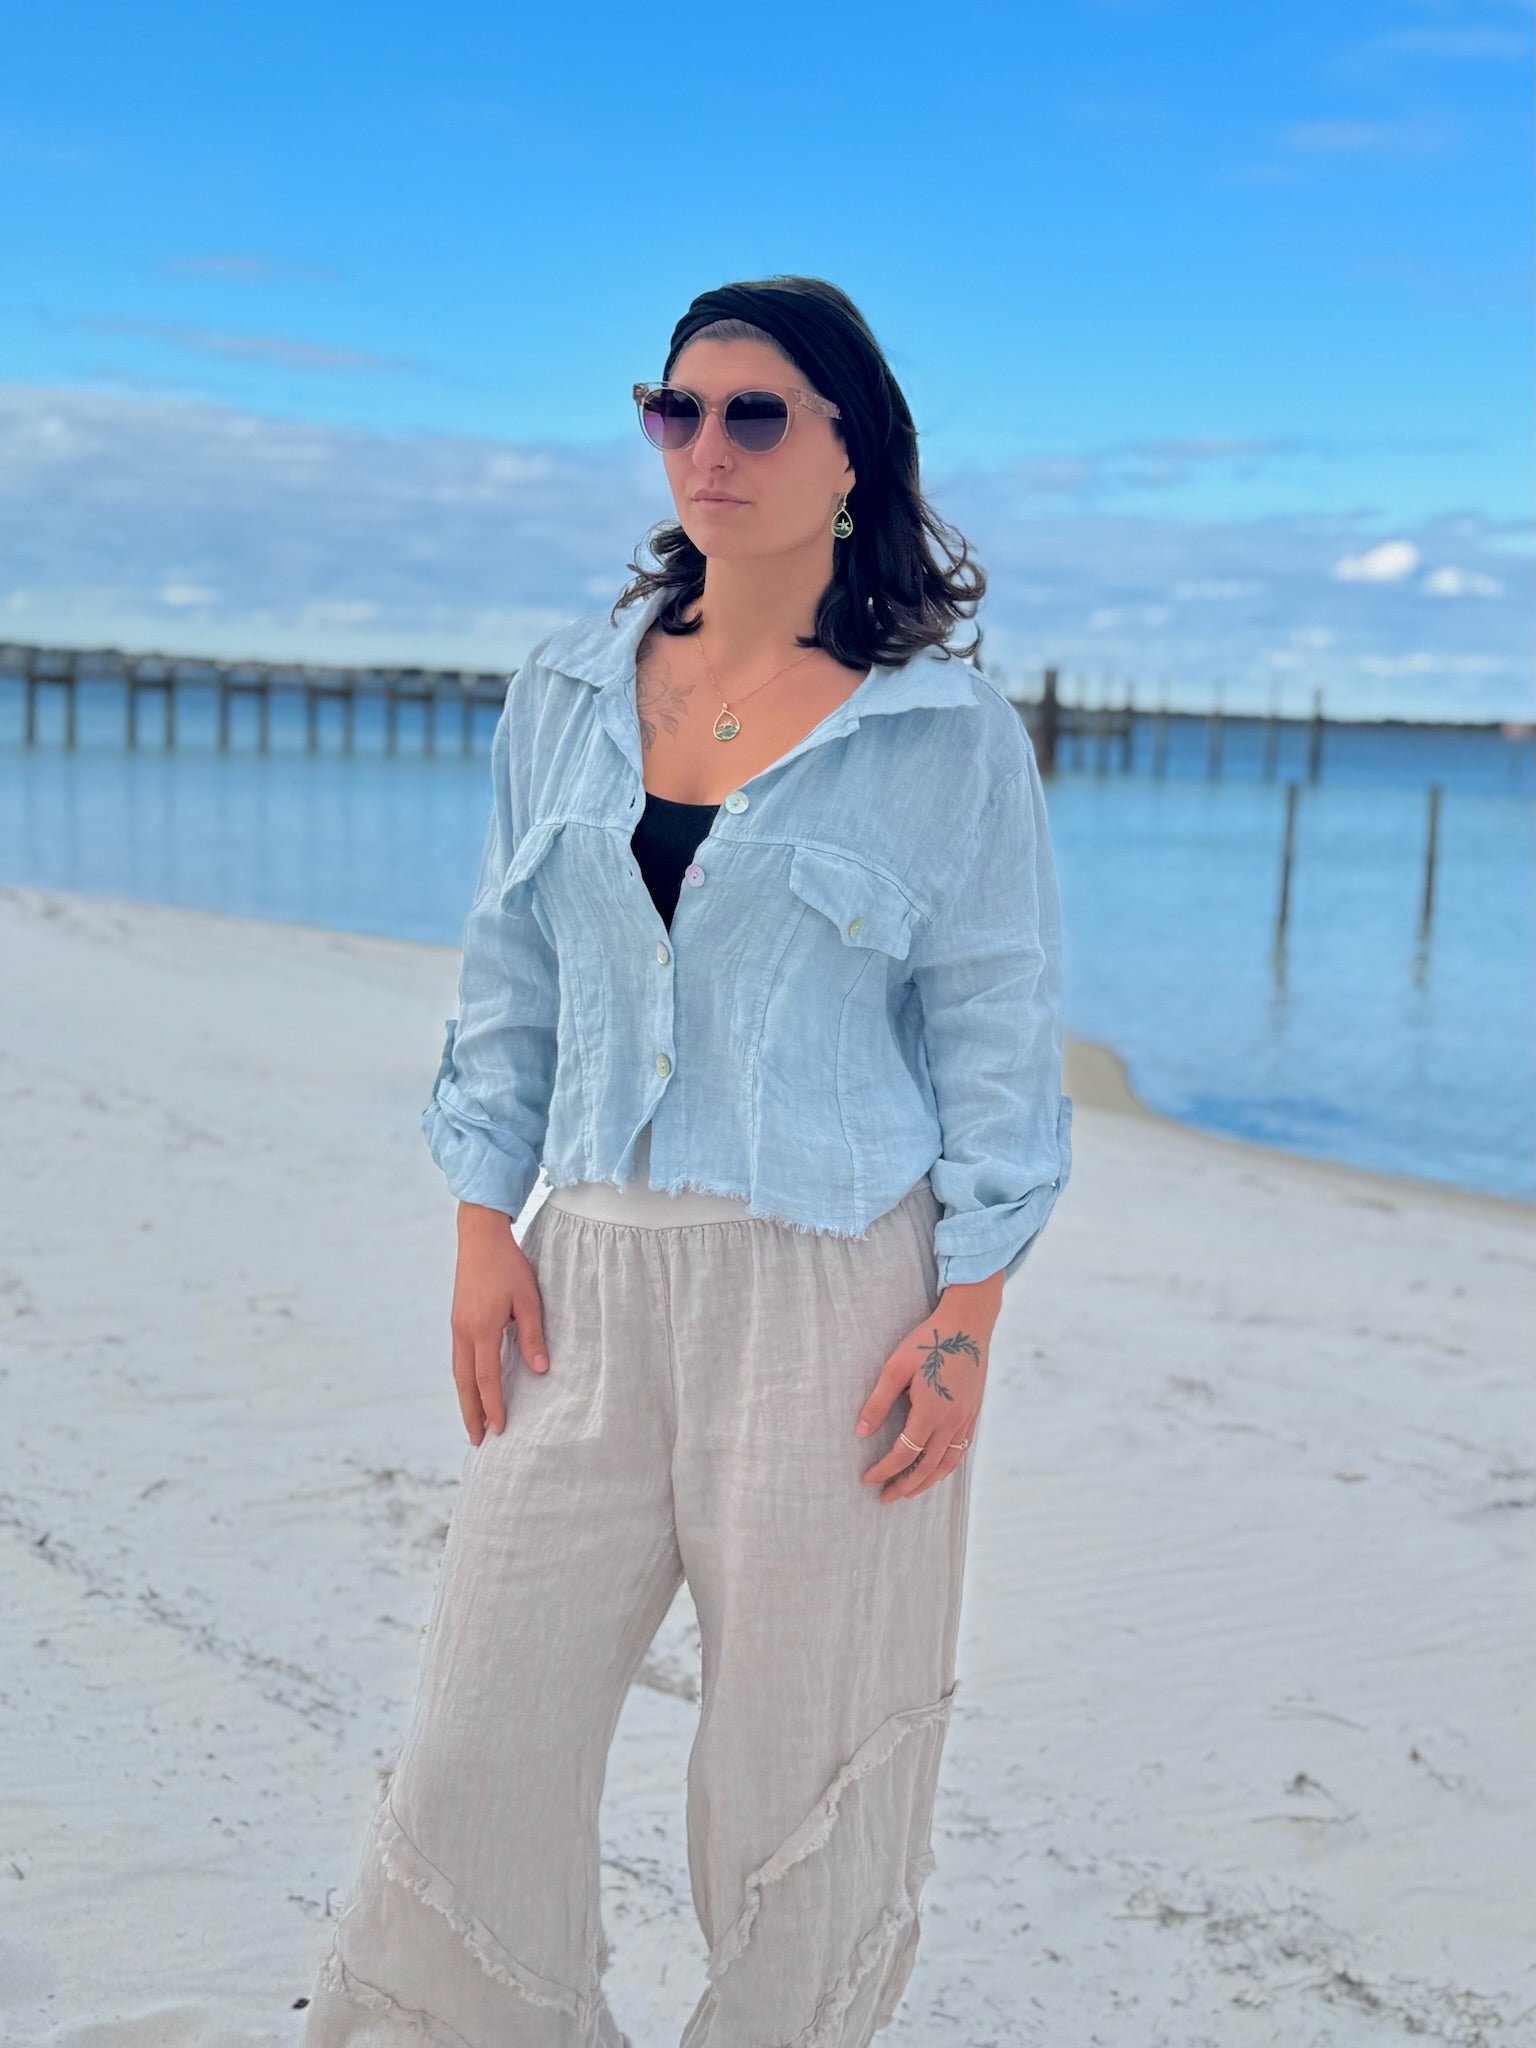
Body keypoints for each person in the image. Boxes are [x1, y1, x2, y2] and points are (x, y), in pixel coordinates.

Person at [302, 274, 1074, 2047]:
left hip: (835, 1292)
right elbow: (507, 980)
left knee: (801, 1773)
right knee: (479, 1739)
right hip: (584, 1272)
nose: (706, 447)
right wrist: (484, 1223)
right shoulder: (564, 694)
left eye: (756, 414)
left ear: (852, 458)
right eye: (677, 410)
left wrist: (968, 1311)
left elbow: (996, 1040)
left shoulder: (945, 739)